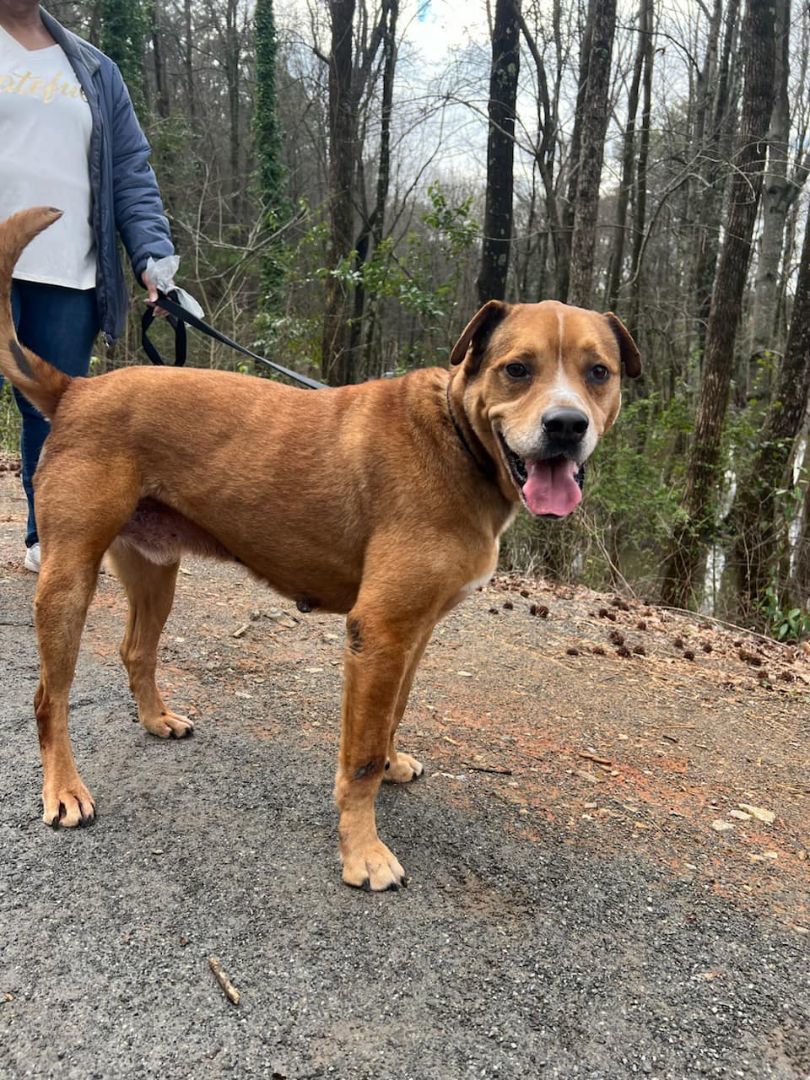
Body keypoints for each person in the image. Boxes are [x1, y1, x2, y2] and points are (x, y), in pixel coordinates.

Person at [0, 1, 174, 571]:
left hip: (67, 272)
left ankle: (45, 535)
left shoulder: (94, 68)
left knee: (53, 414)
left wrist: (151, 255)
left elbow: (130, 169)